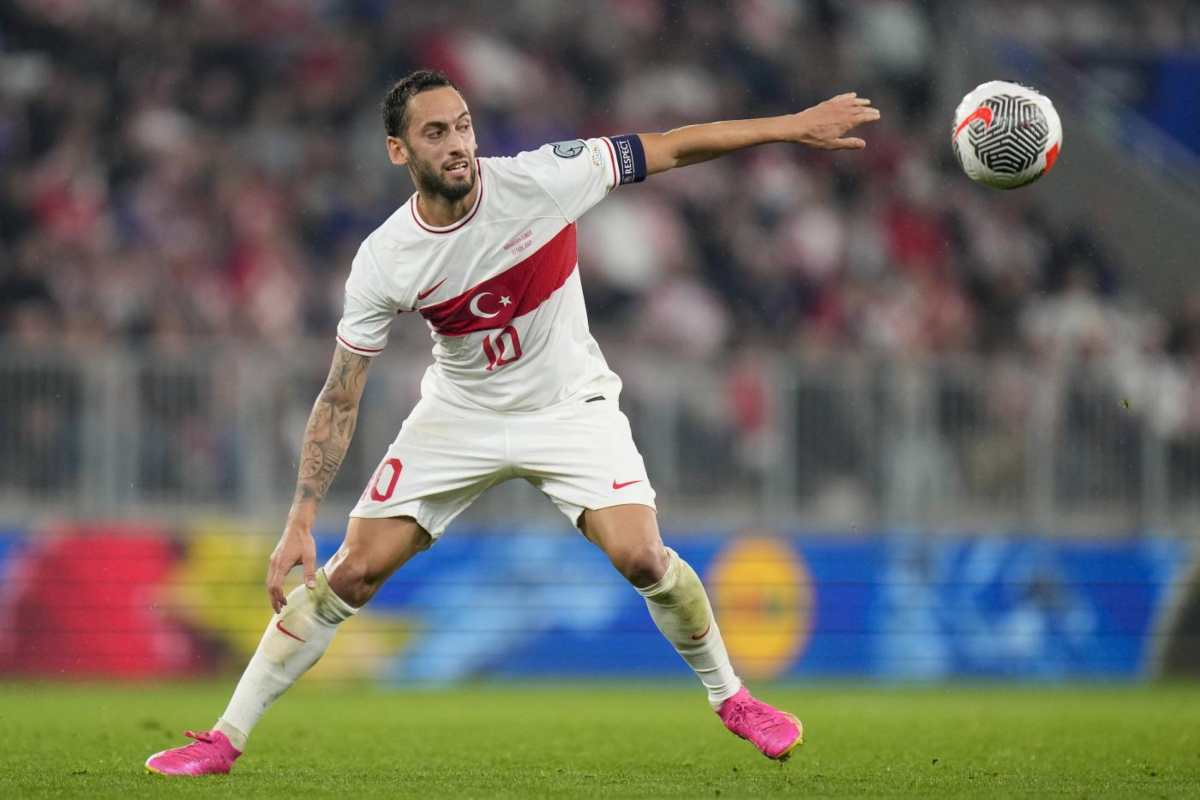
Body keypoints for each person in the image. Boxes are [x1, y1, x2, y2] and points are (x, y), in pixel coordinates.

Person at [145, 69, 879, 776]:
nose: (458, 144)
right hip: (460, 414)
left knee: (643, 558)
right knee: (352, 574)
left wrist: (791, 127)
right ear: (399, 150)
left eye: (463, 126)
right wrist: (301, 518)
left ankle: (734, 699)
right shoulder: (385, 258)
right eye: (436, 133)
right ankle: (223, 739)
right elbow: (340, 394)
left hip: (568, 407)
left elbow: (673, 146)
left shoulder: (544, 179)